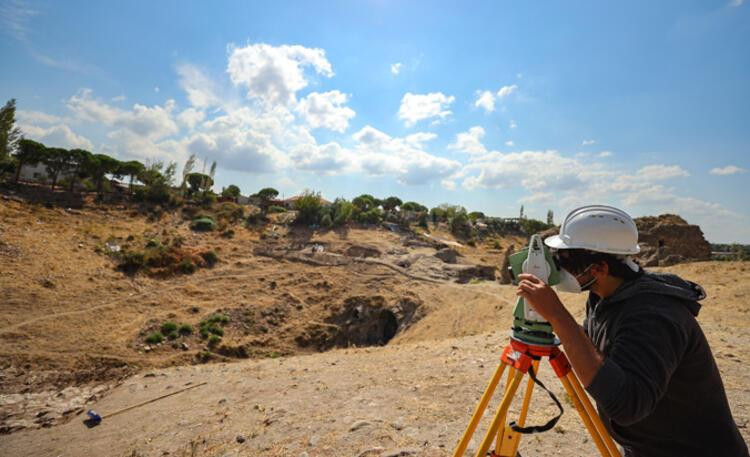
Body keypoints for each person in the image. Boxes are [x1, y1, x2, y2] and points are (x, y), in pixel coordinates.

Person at [515, 205, 748, 457]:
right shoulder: (604, 296)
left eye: (567, 260)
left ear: (600, 269)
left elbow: (626, 404)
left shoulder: (653, 315)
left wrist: (557, 315)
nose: (559, 267)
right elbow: (594, 352)